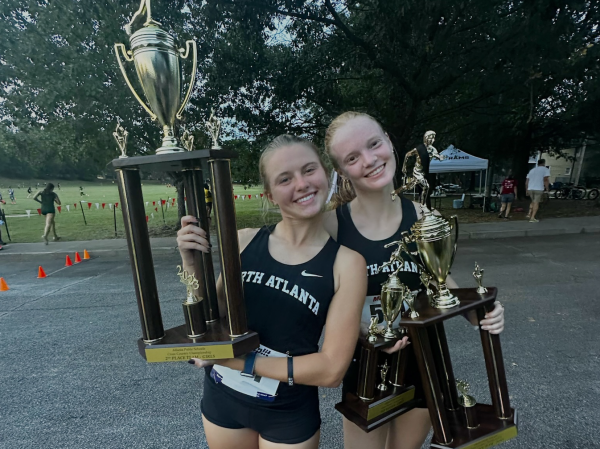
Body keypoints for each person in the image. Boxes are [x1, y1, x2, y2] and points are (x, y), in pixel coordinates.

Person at [322, 111, 505, 449]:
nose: (369, 159)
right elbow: (311, 300)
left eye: (374, 144)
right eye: (352, 157)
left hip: (424, 364)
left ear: (389, 142)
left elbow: (440, 283)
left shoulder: (423, 217)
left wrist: (481, 311)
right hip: (366, 368)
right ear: (341, 170)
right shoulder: (331, 227)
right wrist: (366, 331)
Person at [180, 135, 366, 449]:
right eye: (285, 179)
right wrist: (191, 262)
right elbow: (213, 320)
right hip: (222, 398)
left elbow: (332, 369)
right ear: (270, 194)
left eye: (309, 170)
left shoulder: (347, 264)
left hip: (286, 411)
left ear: (326, 173)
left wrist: (238, 362)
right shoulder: (242, 241)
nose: (302, 183)